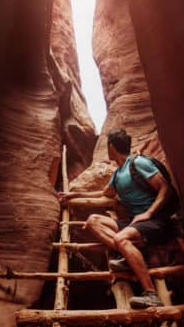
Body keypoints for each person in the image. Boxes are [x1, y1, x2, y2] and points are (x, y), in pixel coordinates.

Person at [58, 129, 175, 308]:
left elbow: (164, 188)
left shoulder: (138, 163)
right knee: (92, 222)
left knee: (121, 238)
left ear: (111, 147)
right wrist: (72, 195)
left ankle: (151, 294)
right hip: (135, 223)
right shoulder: (118, 173)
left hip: (157, 221)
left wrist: (149, 213)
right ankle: (130, 255)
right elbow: (104, 194)